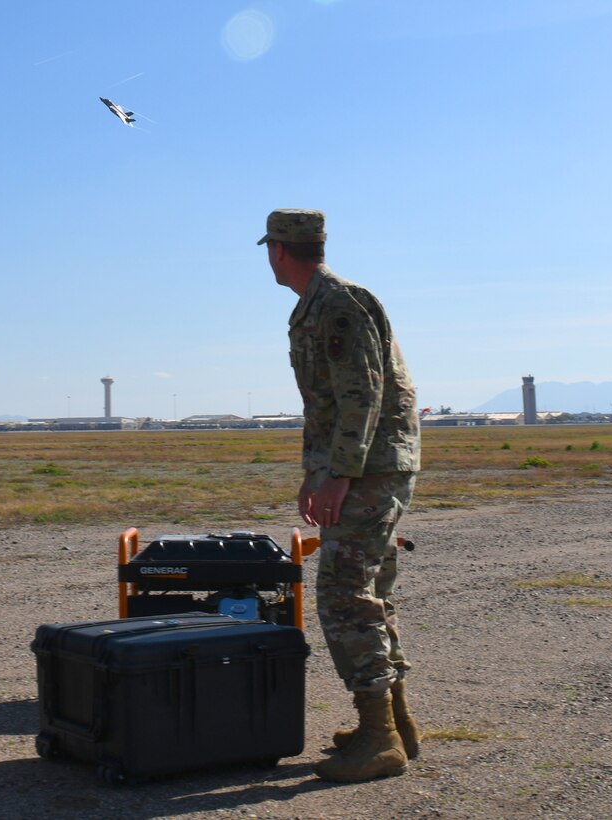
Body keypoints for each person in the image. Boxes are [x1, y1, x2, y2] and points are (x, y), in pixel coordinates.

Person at [258, 208, 421, 783]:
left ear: (278, 250)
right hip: (359, 465)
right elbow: (322, 406)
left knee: (344, 594)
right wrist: (314, 471)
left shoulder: (338, 303)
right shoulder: (316, 306)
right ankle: (394, 723)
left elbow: (363, 396)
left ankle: (380, 738)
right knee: (370, 589)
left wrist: (340, 474)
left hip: (371, 468)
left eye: (269, 249)